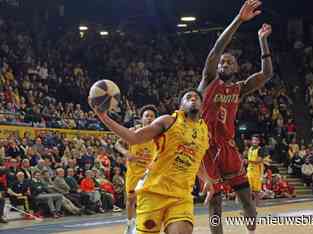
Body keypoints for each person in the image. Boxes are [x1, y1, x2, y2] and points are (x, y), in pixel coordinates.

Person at [91, 89, 214, 234]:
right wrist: (103, 116)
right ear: (181, 105)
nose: (193, 99)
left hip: (181, 195)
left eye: (197, 98)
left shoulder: (204, 131)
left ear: (202, 105)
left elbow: (196, 158)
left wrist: (206, 178)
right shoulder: (168, 121)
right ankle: (130, 224)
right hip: (154, 192)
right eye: (188, 97)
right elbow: (133, 138)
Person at [197, 0, 273, 233]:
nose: (223, 63)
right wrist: (239, 20)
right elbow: (216, 50)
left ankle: (251, 229)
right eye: (222, 61)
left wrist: (262, 42)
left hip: (228, 147)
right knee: (216, 202)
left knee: (247, 200)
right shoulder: (209, 81)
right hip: (206, 146)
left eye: (229, 62)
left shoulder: (239, 87)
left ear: (236, 67)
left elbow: (266, 74)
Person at [114, 105, 158, 234]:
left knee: (148, 200)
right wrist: (126, 153)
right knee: (130, 200)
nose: (149, 118)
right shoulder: (133, 131)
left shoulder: (158, 134)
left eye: (152, 116)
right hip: (133, 171)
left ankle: (144, 224)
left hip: (149, 172)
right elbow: (117, 144)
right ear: (142, 119)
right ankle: (129, 223)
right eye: (147, 116)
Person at [247, 135, 264, 206]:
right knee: (249, 189)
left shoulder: (260, 150)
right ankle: (249, 207)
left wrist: (248, 161)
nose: (254, 141)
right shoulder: (250, 149)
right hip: (249, 171)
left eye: (256, 140)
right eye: (253, 140)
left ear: (259, 142)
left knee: (257, 191)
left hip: (257, 172)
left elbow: (259, 161)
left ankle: (258, 205)